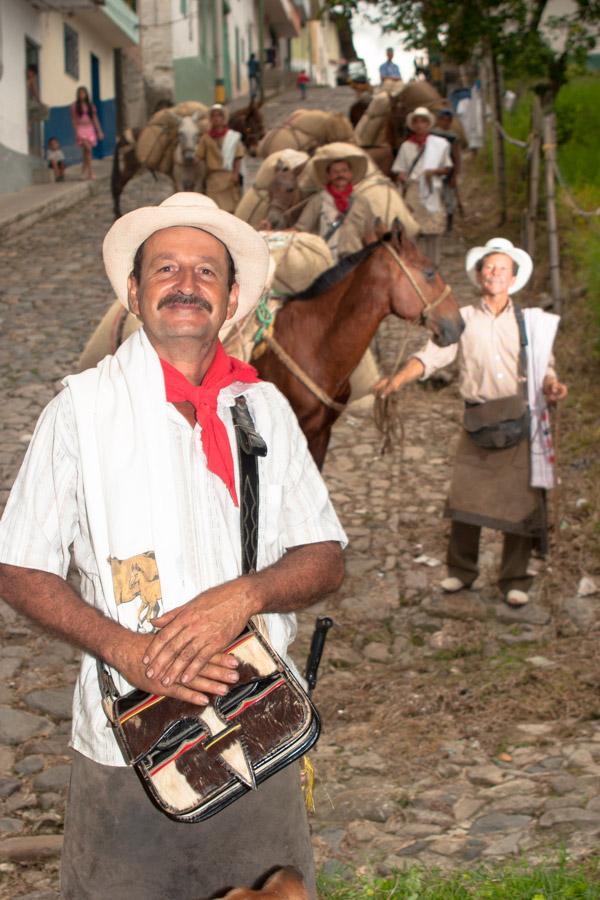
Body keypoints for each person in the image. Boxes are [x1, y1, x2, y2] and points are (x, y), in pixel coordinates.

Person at [0, 192, 347, 899]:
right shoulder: (81, 411)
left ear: (230, 301)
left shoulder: (265, 410)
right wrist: (123, 649)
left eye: (205, 273)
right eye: (165, 269)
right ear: (134, 291)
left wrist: (245, 596)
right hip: (128, 743)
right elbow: (18, 562)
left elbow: (325, 556)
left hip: (261, 730)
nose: (186, 285)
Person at [375, 238, 568, 608]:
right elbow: (432, 355)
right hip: (477, 421)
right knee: (464, 500)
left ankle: (515, 578)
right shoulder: (461, 319)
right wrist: (397, 380)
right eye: (488, 267)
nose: (494, 274)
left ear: (513, 278)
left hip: (519, 421)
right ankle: (461, 572)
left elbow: (546, 368)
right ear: (479, 275)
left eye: (501, 269)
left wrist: (552, 385)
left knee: (521, 505)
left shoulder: (529, 323)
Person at [391, 106, 452, 268]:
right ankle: (413, 262)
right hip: (413, 189)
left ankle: (433, 263)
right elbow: (399, 170)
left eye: (423, 121)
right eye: (416, 121)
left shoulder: (439, 145)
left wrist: (433, 172)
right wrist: (404, 177)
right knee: (412, 227)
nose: (420, 125)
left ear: (428, 124)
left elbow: (446, 168)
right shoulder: (406, 147)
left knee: (434, 227)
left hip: (432, 189)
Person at [294, 150, 373, 263]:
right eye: (335, 172)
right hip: (327, 262)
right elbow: (300, 230)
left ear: (350, 174)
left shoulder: (362, 202)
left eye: (344, 171)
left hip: (355, 262)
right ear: (328, 176)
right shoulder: (318, 201)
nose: (340, 175)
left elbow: (369, 235)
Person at [196, 104, 245, 213]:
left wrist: (235, 174)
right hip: (213, 179)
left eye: (219, 116)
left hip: (229, 178)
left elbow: (238, 157)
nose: (216, 118)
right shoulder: (206, 138)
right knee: (214, 209)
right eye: (213, 116)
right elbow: (199, 157)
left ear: (224, 118)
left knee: (231, 209)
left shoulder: (232, 137)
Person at [431, 108, 462, 232]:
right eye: (442, 120)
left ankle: (448, 226)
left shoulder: (452, 137)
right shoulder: (432, 134)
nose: (445, 122)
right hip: (433, 170)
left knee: (449, 199)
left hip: (448, 171)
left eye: (447, 120)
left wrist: (455, 175)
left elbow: (456, 156)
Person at [70, 86, 103, 181]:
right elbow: (74, 120)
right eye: (80, 93)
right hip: (81, 129)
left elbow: (95, 119)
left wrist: (99, 131)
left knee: (86, 152)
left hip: (90, 129)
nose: (82, 95)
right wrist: (76, 132)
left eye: (83, 93)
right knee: (88, 149)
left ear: (86, 94)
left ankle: (83, 173)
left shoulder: (90, 106)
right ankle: (90, 172)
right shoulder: (74, 106)